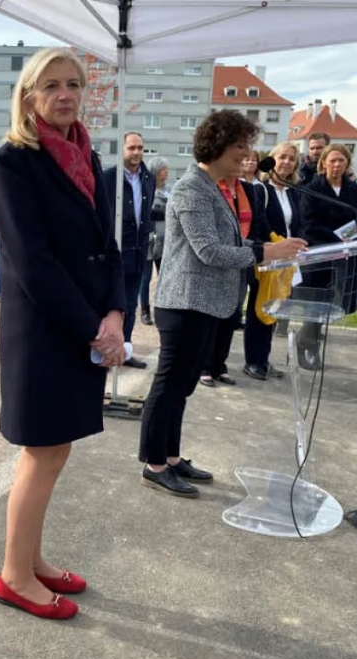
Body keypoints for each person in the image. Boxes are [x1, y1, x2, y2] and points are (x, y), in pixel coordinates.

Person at [0, 47, 127, 620]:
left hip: (83, 327)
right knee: (40, 453)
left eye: (74, 84)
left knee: (55, 449)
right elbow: (33, 263)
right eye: (52, 85)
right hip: (45, 331)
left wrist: (117, 312)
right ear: (29, 96)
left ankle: (30, 557)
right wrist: (95, 329)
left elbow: (106, 242)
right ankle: (15, 577)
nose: (65, 94)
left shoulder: (85, 156)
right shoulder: (13, 162)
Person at [139, 110, 306, 497]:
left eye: (249, 146)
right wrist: (265, 251)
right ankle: (154, 464)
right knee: (169, 385)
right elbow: (210, 251)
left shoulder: (216, 187)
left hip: (206, 303)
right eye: (241, 146)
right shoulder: (191, 189)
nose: (248, 154)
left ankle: (173, 457)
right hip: (184, 303)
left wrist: (273, 251)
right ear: (217, 146)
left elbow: (228, 246)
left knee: (182, 387)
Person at [200, 158, 270, 388]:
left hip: (243, 259)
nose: (242, 162)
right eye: (238, 157)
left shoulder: (249, 189)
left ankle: (220, 364)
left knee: (232, 314)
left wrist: (255, 247)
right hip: (217, 259)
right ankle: (205, 366)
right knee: (213, 314)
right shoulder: (211, 188)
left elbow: (258, 222)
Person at [297, 143, 357, 369]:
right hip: (320, 253)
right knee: (316, 302)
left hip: (346, 255)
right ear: (323, 163)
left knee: (333, 303)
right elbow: (309, 223)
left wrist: (351, 236)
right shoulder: (312, 188)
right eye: (332, 161)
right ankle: (305, 343)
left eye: (341, 161)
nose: (336, 165)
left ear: (347, 164)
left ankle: (311, 341)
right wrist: (336, 239)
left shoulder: (353, 190)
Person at [243, 142, 303, 380]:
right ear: (272, 160)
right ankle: (253, 361)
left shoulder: (294, 192)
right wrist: (277, 243)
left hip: (288, 259)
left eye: (291, 158)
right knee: (259, 308)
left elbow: (298, 223)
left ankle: (264, 359)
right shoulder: (261, 190)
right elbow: (260, 221)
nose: (286, 162)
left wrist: (298, 243)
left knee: (275, 308)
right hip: (268, 256)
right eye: (282, 157)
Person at [104, 132, 154, 368]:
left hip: (137, 253)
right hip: (114, 253)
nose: (136, 152)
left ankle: (125, 350)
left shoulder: (148, 178)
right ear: (122, 149)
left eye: (140, 148)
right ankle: (106, 351)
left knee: (130, 306)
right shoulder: (109, 178)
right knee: (109, 306)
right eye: (132, 148)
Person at [141, 157, 170, 326]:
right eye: (163, 169)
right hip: (148, 239)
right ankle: (145, 310)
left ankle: (162, 308)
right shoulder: (146, 188)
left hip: (164, 239)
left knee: (164, 276)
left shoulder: (170, 190)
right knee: (145, 278)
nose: (166, 172)